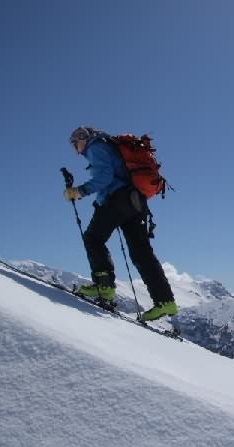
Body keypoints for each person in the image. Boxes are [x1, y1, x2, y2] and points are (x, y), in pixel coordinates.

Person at [64, 126, 178, 321]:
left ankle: (104, 286)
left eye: (75, 144)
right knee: (141, 253)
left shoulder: (95, 147)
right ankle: (165, 302)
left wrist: (79, 191)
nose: (76, 149)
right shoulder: (109, 146)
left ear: (82, 139)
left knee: (93, 237)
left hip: (117, 200)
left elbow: (104, 177)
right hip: (136, 203)